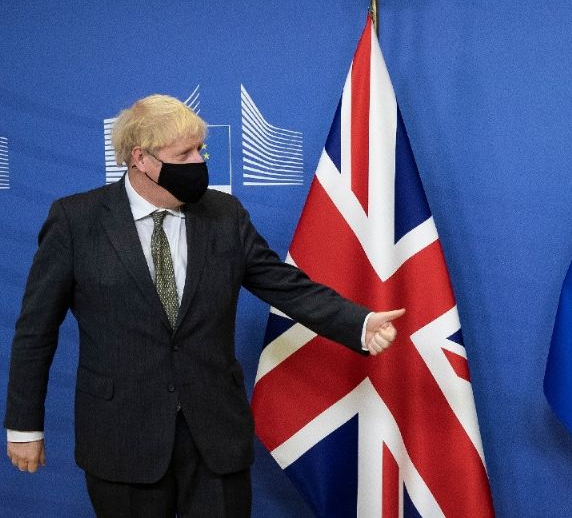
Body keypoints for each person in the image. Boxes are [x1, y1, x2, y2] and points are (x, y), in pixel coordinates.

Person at [4, 94, 405, 516]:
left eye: (200, 150)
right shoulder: (76, 220)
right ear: (140, 159)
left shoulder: (224, 215)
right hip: (122, 438)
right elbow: (36, 330)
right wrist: (24, 425)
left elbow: (285, 285)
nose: (198, 162)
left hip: (215, 437)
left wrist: (358, 323)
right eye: (184, 154)